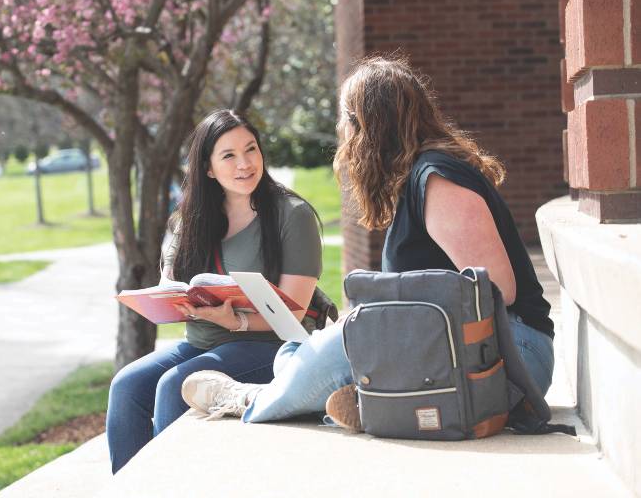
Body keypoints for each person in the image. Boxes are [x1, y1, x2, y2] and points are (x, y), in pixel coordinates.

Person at [180, 55, 555, 429]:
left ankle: (250, 398)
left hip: (511, 356)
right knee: (303, 351)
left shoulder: (438, 182)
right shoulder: (419, 178)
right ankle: (356, 402)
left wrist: (384, 317)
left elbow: (498, 292)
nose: (341, 129)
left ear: (370, 125)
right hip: (462, 350)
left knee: (336, 345)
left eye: (345, 117)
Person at [106, 109, 323, 473]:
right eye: (229, 155)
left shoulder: (292, 215)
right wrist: (172, 298)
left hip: (268, 346)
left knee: (174, 385)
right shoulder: (188, 219)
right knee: (126, 386)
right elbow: (171, 282)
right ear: (208, 168)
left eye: (251, 149)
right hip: (202, 342)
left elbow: (295, 314)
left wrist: (235, 322)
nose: (245, 163)